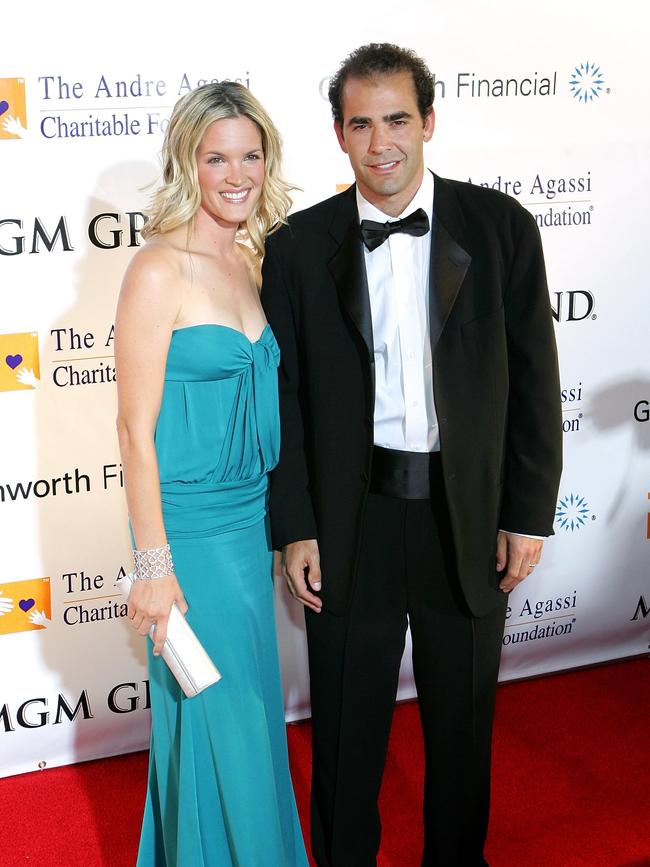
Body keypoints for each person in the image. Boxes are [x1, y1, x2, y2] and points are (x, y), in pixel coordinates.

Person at [261, 44, 562, 867]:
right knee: (348, 731)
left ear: (429, 121)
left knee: (463, 730)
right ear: (338, 134)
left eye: (398, 119)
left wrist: (527, 515)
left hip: (464, 521)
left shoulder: (500, 229)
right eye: (362, 124)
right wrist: (295, 527)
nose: (381, 142)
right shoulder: (296, 247)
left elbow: (536, 384)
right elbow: (282, 399)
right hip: (349, 520)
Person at [114, 82, 308, 867]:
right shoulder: (159, 269)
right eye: (217, 156)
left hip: (248, 524)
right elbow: (133, 430)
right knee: (217, 715)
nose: (237, 173)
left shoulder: (252, 258)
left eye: (251, 155)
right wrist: (154, 567)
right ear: (187, 163)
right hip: (187, 536)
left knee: (247, 716)